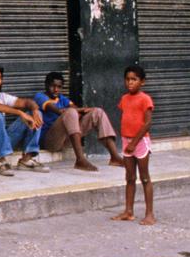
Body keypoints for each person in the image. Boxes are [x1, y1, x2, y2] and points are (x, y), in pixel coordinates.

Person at [0, 64, 50, 176]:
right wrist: (20, 113)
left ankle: (26, 160)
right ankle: (2, 162)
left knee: (36, 114)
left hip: (2, 141)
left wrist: (35, 110)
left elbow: (27, 102)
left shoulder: (2, 96)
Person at [34, 71, 124, 172]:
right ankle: (80, 160)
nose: (56, 89)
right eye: (52, 86)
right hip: (50, 141)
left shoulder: (62, 99)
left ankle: (115, 157)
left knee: (98, 112)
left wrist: (84, 111)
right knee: (71, 112)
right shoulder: (40, 96)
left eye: (59, 87)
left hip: (66, 139)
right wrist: (81, 109)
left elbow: (76, 110)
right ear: (46, 85)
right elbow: (60, 111)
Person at [112, 64, 156, 225]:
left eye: (134, 79)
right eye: (127, 79)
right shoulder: (124, 99)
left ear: (142, 82)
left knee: (145, 178)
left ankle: (149, 213)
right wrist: (127, 142)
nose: (130, 83)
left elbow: (147, 123)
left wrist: (134, 142)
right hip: (126, 141)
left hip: (140, 142)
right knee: (129, 177)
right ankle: (128, 211)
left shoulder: (145, 99)